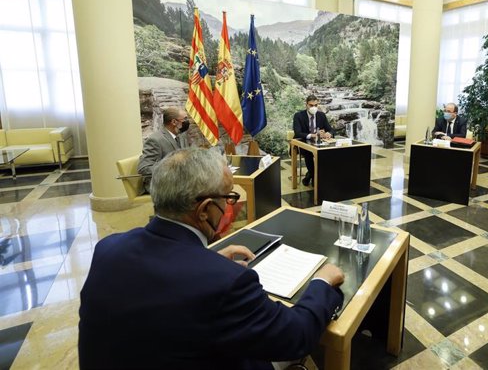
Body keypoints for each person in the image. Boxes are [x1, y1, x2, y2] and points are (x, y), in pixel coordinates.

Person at [79, 148, 345, 369]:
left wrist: (205, 259)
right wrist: (322, 281)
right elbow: (294, 337)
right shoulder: (225, 283)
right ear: (205, 210)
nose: (231, 206)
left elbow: (161, 288)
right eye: (229, 198)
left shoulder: (107, 249)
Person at [137, 107, 189, 193]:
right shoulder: (155, 140)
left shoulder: (181, 135)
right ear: (174, 122)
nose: (187, 122)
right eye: (185, 119)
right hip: (161, 184)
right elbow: (143, 168)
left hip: (180, 180)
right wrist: (170, 169)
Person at [293, 95, 333, 186]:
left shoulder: (321, 115)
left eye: (316, 105)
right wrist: (312, 135)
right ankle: (315, 179)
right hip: (302, 143)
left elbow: (330, 129)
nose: (313, 107)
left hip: (318, 143)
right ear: (306, 105)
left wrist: (328, 133)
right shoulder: (298, 116)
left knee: (327, 153)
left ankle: (310, 176)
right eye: (311, 105)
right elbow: (298, 133)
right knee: (308, 154)